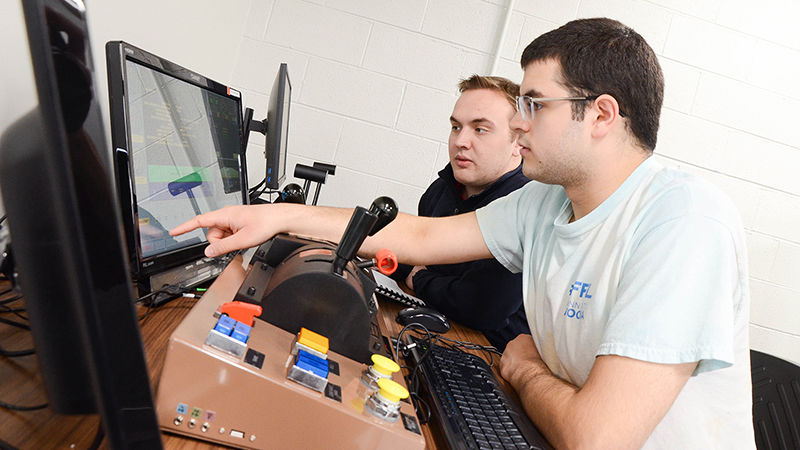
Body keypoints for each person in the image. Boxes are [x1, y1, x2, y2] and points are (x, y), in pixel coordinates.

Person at [171, 18, 753, 449]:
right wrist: (279, 218)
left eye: (533, 104)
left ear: (601, 115)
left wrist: (522, 367)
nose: (517, 122)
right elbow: (420, 235)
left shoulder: (682, 223)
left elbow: (595, 439)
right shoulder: (546, 200)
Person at [392, 74, 530, 351]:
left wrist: (419, 277)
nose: (460, 141)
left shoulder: (526, 205)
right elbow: (406, 255)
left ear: (518, 141)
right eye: (456, 127)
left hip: (490, 358)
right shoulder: (444, 188)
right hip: (435, 330)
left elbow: (481, 307)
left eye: (480, 129)